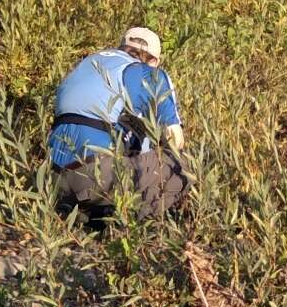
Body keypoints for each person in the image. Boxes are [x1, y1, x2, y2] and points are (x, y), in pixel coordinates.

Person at [49, 26, 189, 221]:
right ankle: (138, 230)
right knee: (183, 165)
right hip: (96, 176)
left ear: (121, 47)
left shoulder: (88, 63)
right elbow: (175, 140)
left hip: (53, 180)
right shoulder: (147, 74)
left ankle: (87, 215)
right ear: (154, 61)